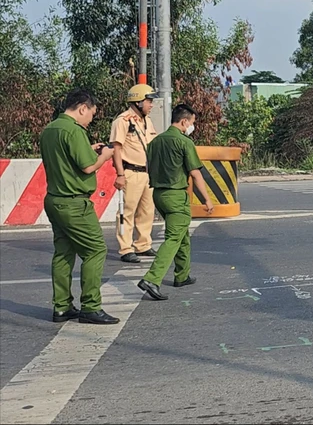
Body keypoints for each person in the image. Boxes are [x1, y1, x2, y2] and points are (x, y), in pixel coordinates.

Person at [40, 88, 119, 324]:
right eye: (91, 114)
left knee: (63, 253)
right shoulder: (74, 131)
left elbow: (69, 158)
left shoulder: (50, 129)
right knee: (95, 250)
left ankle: (62, 307)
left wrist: (90, 149)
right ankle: (90, 307)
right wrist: (105, 155)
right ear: (83, 107)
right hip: (74, 202)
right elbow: (87, 167)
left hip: (55, 199)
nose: (90, 119)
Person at [137, 104, 214, 301]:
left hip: (159, 195)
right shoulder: (184, 142)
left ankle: (182, 274)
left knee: (181, 235)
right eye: (192, 123)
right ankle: (152, 279)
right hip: (176, 196)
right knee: (173, 238)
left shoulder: (154, 142)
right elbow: (195, 174)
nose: (192, 127)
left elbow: (148, 169)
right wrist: (207, 199)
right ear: (184, 121)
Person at [109, 84, 159, 263]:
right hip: (130, 172)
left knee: (147, 211)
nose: (151, 104)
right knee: (126, 212)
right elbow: (116, 148)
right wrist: (120, 174)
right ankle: (125, 248)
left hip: (147, 173)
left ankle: (143, 245)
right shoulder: (122, 121)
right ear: (138, 102)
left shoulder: (147, 121)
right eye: (149, 101)